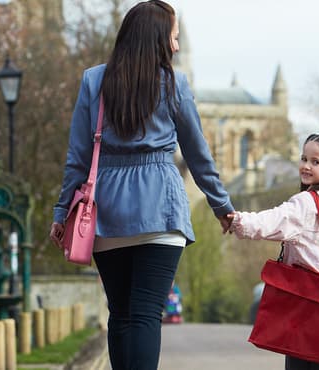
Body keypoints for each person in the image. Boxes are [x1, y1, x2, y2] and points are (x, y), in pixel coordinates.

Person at [49, 1, 234, 368]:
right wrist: (221, 206)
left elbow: (78, 157)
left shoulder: (93, 80)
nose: (177, 46)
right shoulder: (175, 83)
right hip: (160, 211)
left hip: (108, 213)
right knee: (147, 315)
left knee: (119, 314)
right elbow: (198, 154)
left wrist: (61, 211)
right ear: (157, 39)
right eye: (174, 37)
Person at [228, 133, 319, 370]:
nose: (306, 166)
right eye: (303, 158)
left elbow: (272, 221)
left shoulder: (307, 203)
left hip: (309, 317)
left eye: (315, 161)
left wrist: (236, 220)